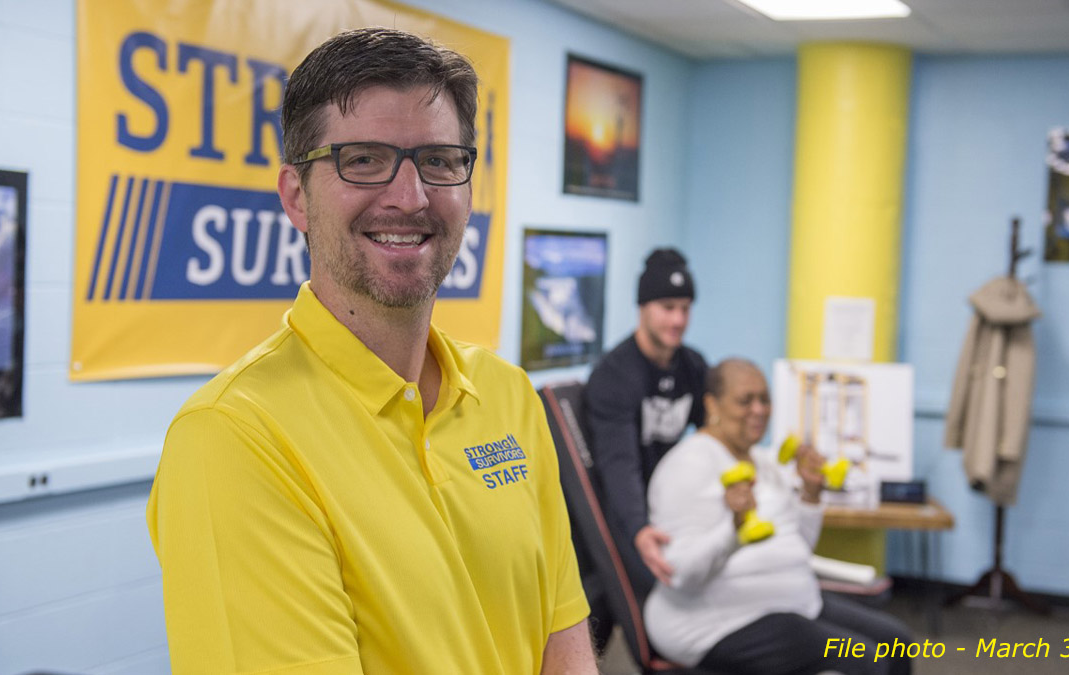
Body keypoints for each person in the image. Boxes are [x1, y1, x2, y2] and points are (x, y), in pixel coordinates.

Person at [146, 28, 595, 675]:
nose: (409, 197)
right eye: (362, 159)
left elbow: (564, 640)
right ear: (296, 196)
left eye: (440, 160)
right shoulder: (233, 438)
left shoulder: (509, 395)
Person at [644, 358, 913, 675]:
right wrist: (735, 530)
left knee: (897, 644)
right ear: (711, 404)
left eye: (764, 399)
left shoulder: (762, 460)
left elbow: (798, 547)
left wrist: (811, 496)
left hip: (790, 603)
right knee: (865, 663)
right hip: (714, 623)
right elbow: (679, 576)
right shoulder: (688, 465)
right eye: (746, 400)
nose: (759, 409)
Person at [583, 249, 707, 605]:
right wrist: (639, 527)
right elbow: (619, 463)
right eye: (667, 308)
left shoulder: (694, 366)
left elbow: (711, 437)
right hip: (629, 511)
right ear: (643, 308)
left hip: (673, 503)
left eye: (685, 309)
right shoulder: (614, 374)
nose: (678, 320)